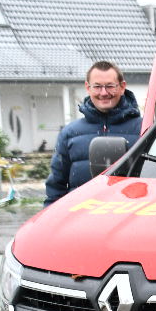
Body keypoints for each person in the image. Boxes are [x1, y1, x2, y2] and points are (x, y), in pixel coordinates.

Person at [44, 61, 142, 205]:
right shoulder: (70, 133)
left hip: (129, 215)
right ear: (88, 88)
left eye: (110, 86)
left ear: (122, 87)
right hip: (82, 218)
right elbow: (56, 185)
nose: (104, 93)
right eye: (97, 86)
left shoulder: (145, 129)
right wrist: (50, 218)